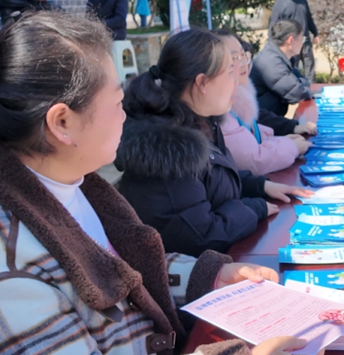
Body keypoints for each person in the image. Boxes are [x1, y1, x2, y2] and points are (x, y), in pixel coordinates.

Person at [0, 12, 323, 355]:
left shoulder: (59, 180)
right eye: (116, 101)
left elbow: (105, 270)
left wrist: (203, 278)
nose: (127, 111)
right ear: (62, 123)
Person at [116, 28, 311, 257]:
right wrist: (254, 208)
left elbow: (217, 177)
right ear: (202, 83)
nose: (235, 83)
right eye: (229, 72)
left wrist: (261, 186)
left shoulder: (202, 121)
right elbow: (201, 235)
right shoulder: (169, 151)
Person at [216, 30, 311, 175]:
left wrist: (280, 140)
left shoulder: (239, 96)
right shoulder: (220, 110)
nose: (243, 63)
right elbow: (253, 159)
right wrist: (291, 146)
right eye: (235, 58)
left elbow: (251, 136)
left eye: (243, 55)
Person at [250, 19, 312, 116]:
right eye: (301, 39)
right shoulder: (271, 62)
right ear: (290, 40)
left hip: (270, 118)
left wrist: (300, 84)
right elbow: (298, 93)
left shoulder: (281, 57)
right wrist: (300, 85)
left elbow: (303, 83)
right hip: (261, 123)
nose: (302, 44)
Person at [268, 0, 320, 83]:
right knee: (292, 69)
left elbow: (308, 17)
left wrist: (315, 33)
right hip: (290, 43)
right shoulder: (279, 4)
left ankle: (311, 92)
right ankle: (295, 94)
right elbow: (274, 25)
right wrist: (273, 43)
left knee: (309, 67)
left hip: (305, 41)